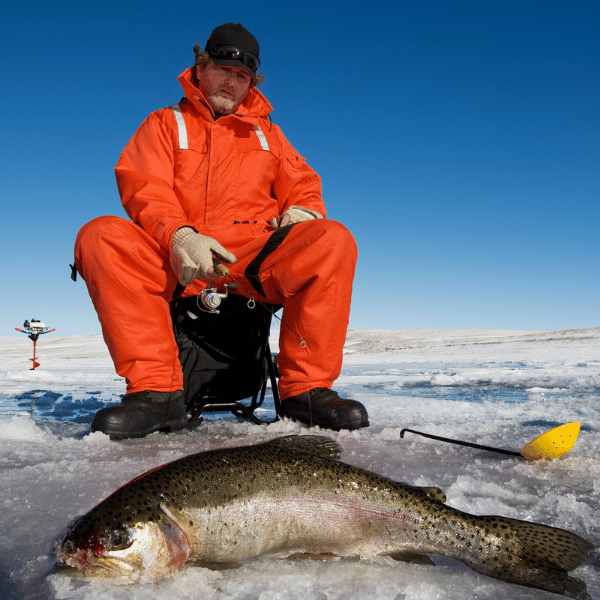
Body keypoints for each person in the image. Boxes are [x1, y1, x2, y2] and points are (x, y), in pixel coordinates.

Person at [74, 23, 369, 439]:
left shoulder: (269, 135)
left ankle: (306, 391)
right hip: (179, 260)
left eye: (242, 77)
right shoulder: (164, 123)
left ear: (252, 82)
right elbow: (145, 187)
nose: (232, 83)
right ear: (201, 64)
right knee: (101, 235)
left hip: (249, 263)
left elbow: (304, 185)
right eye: (224, 70)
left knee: (332, 239)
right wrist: (180, 236)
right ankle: (156, 393)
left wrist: (302, 214)